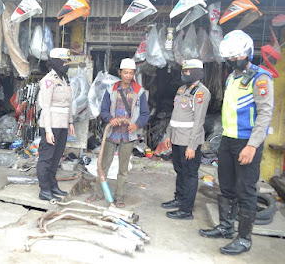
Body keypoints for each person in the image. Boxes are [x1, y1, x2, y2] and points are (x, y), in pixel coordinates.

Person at [199, 30, 274, 255]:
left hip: (247, 143)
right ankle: (225, 226)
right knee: (228, 186)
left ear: (248, 53)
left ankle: (243, 238)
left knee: (246, 190)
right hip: (228, 140)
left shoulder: (261, 78)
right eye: (230, 59)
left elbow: (264, 114)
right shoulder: (233, 77)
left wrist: (252, 145)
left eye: (236, 58)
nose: (233, 62)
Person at [86, 58, 149, 208]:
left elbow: (145, 114)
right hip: (111, 134)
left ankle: (119, 196)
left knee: (123, 169)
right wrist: (110, 119)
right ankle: (98, 193)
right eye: (125, 72)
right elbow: (104, 110)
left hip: (128, 135)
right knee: (103, 165)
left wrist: (137, 124)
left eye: (131, 73)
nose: (128, 75)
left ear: (134, 74)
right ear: (120, 73)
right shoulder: (111, 89)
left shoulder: (139, 92)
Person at [161, 59, 211, 220]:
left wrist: (192, 145)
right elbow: (175, 115)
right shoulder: (182, 89)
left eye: (187, 72)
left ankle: (186, 210)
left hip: (189, 141)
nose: (184, 74)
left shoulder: (201, 92)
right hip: (176, 139)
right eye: (183, 71)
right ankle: (179, 199)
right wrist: (168, 135)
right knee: (179, 171)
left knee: (190, 174)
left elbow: (199, 121)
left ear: (196, 72)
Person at [36, 48, 75, 202]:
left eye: (68, 62)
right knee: (46, 158)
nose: (67, 65)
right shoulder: (48, 80)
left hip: (63, 124)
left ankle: (53, 185)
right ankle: (44, 189)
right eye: (64, 62)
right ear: (56, 62)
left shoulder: (64, 79)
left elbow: (68, 104)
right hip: (50, 125)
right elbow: (45, 106)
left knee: (56, 157)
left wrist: (70, 122)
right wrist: (48, 130)